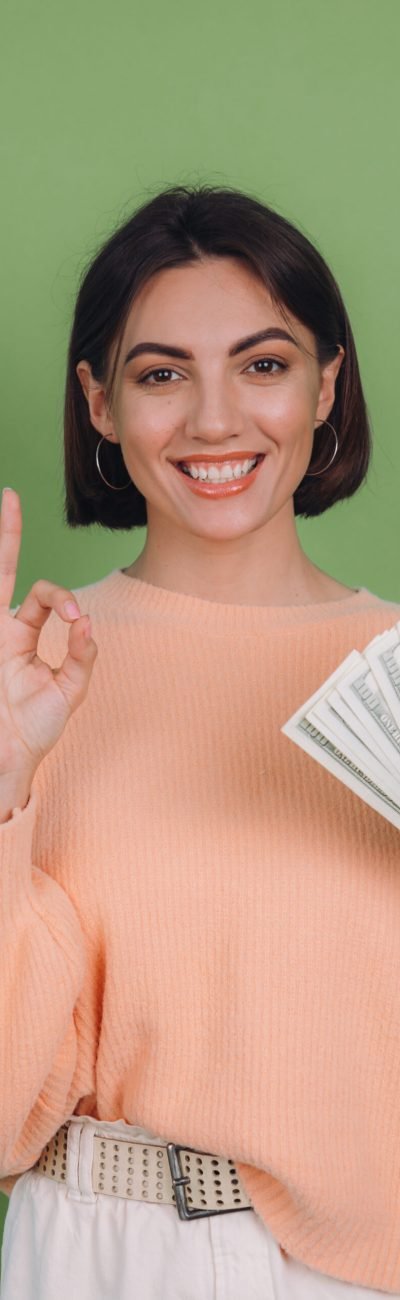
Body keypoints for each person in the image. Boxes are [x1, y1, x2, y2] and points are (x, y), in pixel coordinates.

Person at [0, 184, 399, 1299]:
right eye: (162, 372)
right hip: (95, 1250)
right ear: (98, 402)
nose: (215, 420)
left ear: (327, 383)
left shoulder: (393, 667)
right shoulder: (31, 677)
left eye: (264, 365)